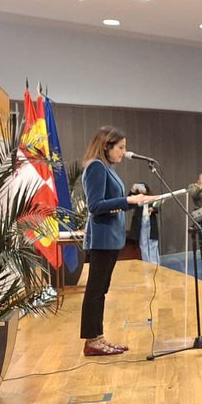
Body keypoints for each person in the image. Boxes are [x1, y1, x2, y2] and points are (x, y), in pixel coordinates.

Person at [80, 126, 152, 356]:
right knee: (95, 290)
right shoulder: (96, 167)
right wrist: (127, 199)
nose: (124, 152)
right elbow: (95, 206)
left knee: (101, 290)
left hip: (110, 238)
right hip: (101, 238)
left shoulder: (106, 168)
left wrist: (136, 201)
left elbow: (114, 202)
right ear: (106, 146)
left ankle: (98, 337)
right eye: (120, 147)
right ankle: (92, 341)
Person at [126, 182, 162, 263]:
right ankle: (146, 264)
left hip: (150, 222)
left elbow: (158, 204)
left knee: (152, 243)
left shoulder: (151, 197)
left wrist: (153, 209)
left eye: (143, 187)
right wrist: (133, 189)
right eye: (140, 187)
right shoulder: (137, 198)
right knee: (143, 244)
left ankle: (155, 263)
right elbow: (128, 199)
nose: (141, 189)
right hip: (140, 223)